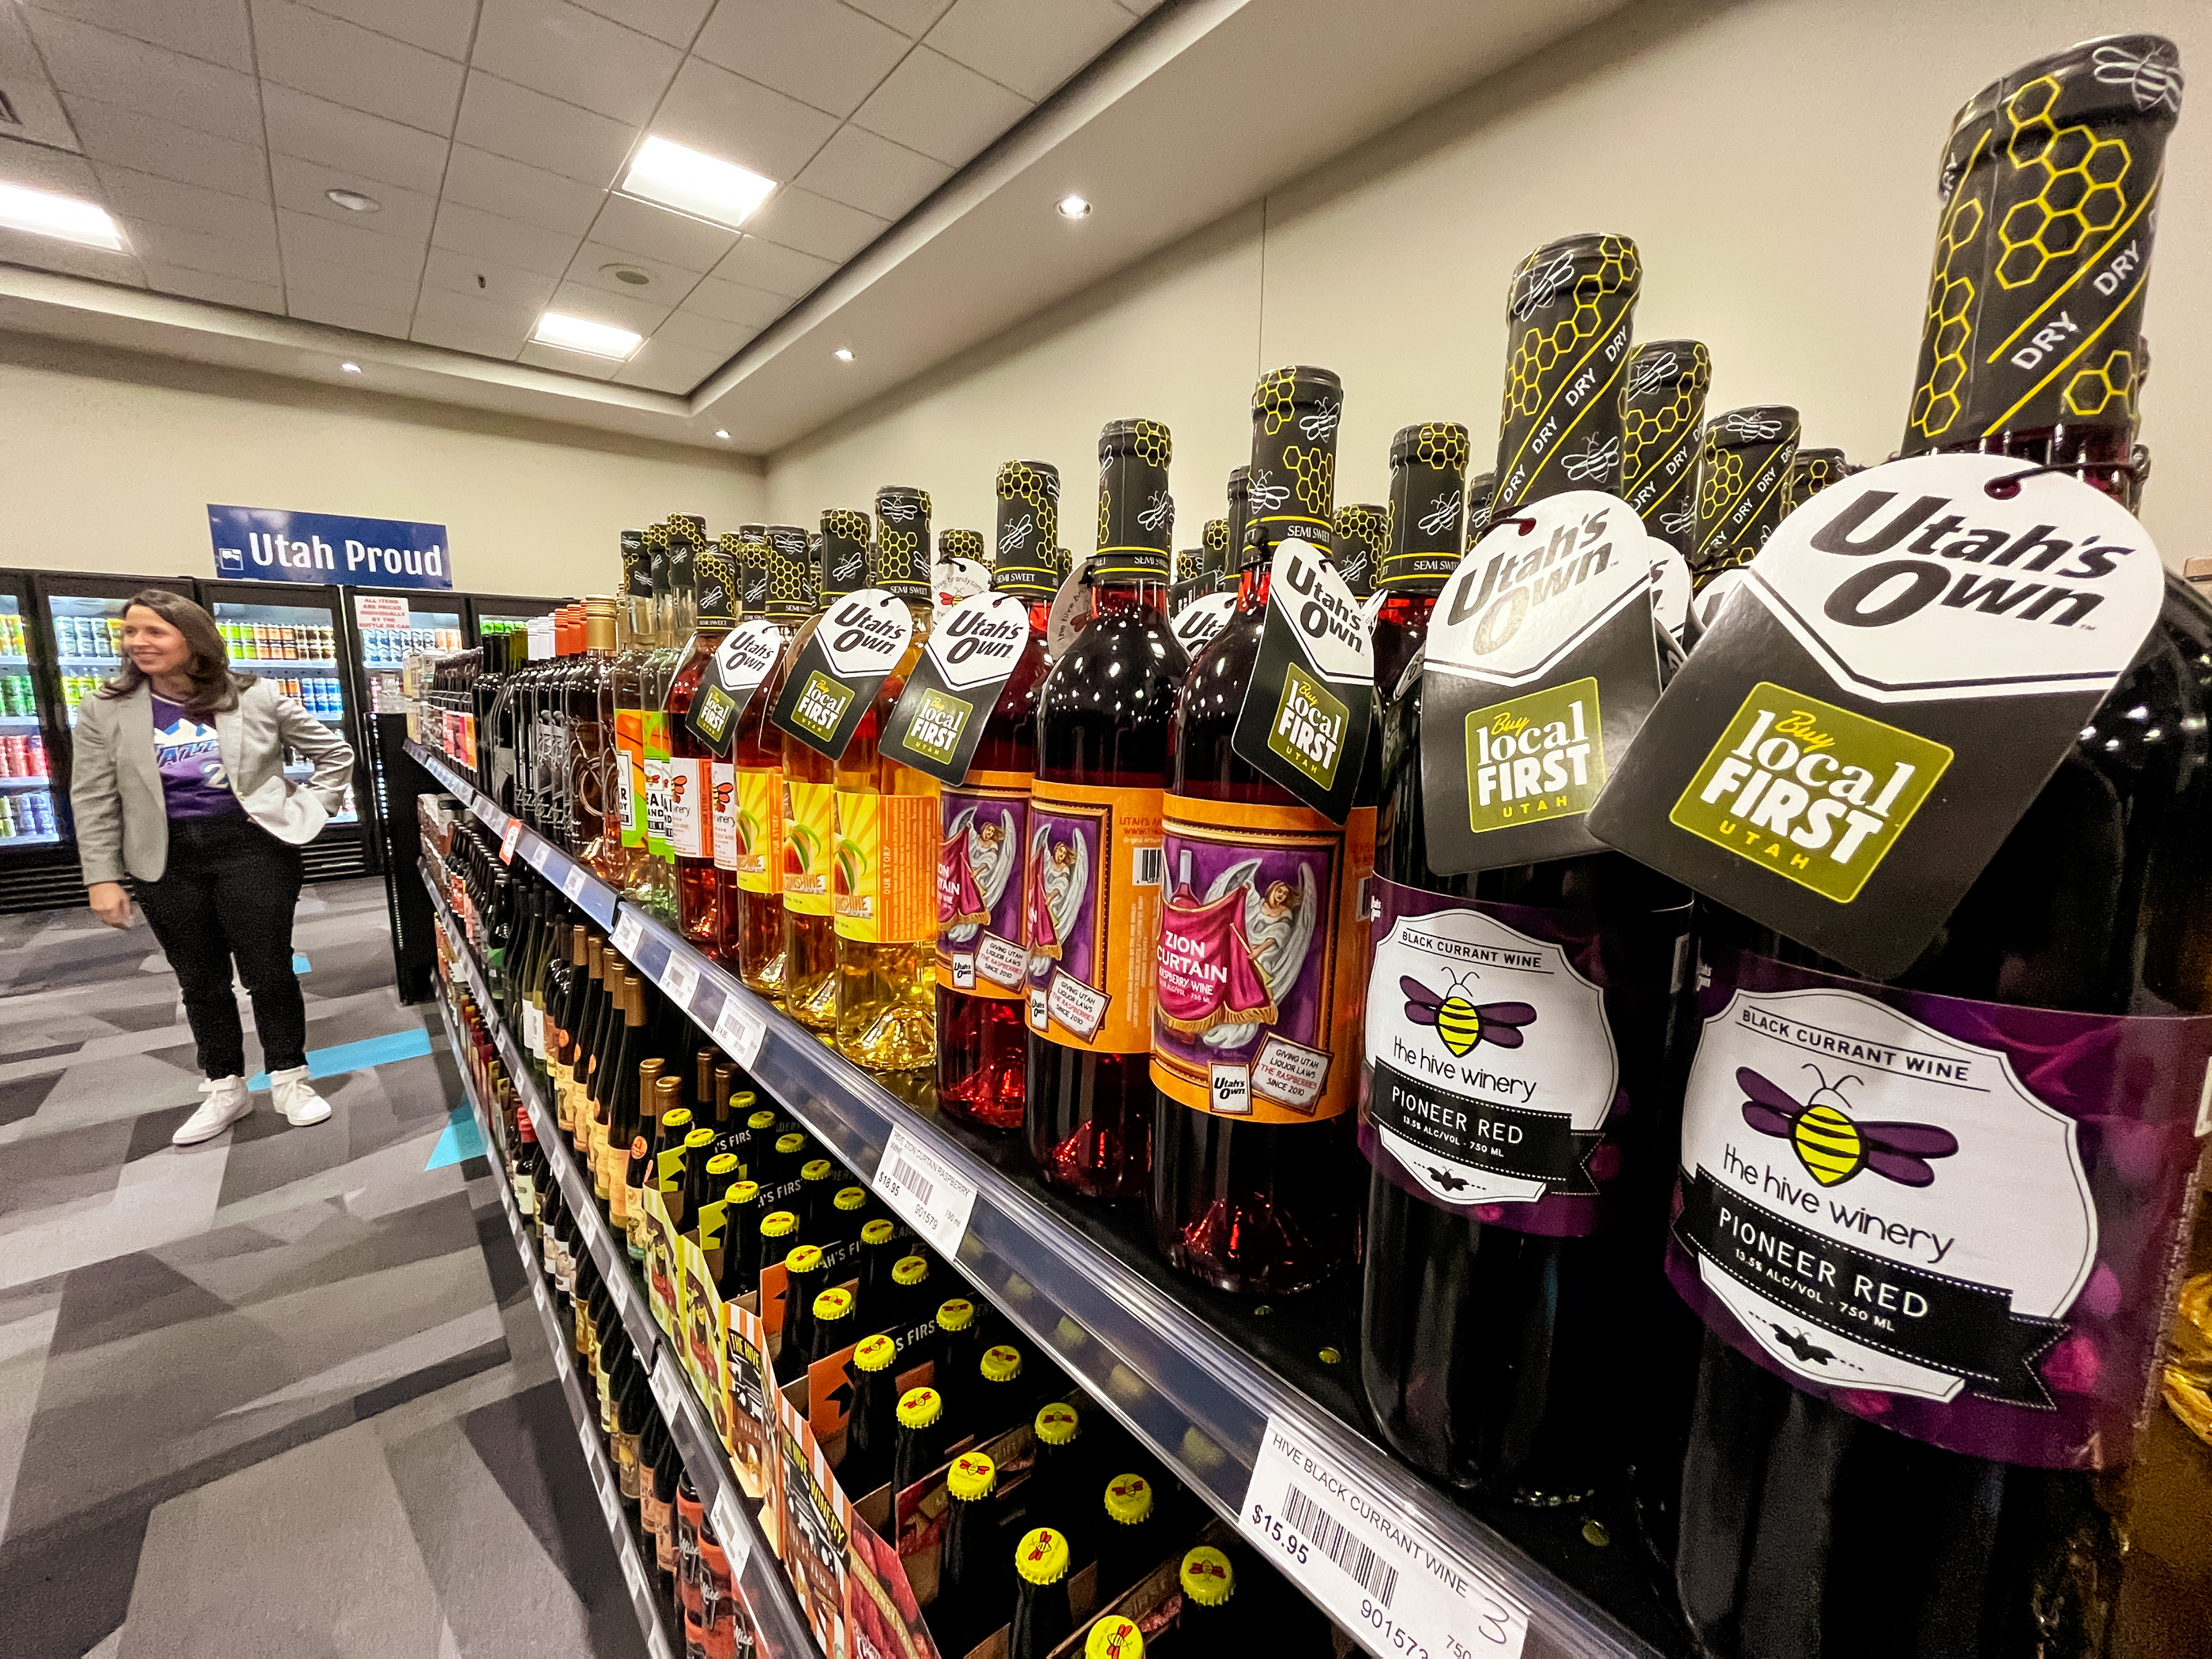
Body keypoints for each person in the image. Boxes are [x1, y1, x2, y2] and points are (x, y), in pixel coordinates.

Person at [70, 590, 356, 1145]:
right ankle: (225, 1086)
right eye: (131, 632)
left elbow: (335, 754)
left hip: (252, 848)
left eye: (154, 632)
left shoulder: (255, 696)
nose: (138, 643)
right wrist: (100, 875)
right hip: (164, 857)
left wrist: (309, 809)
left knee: (268, 968)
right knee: (199, 979)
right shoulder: (104, 708)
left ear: (192, 638)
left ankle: (289, 1076)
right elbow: (92, 797)